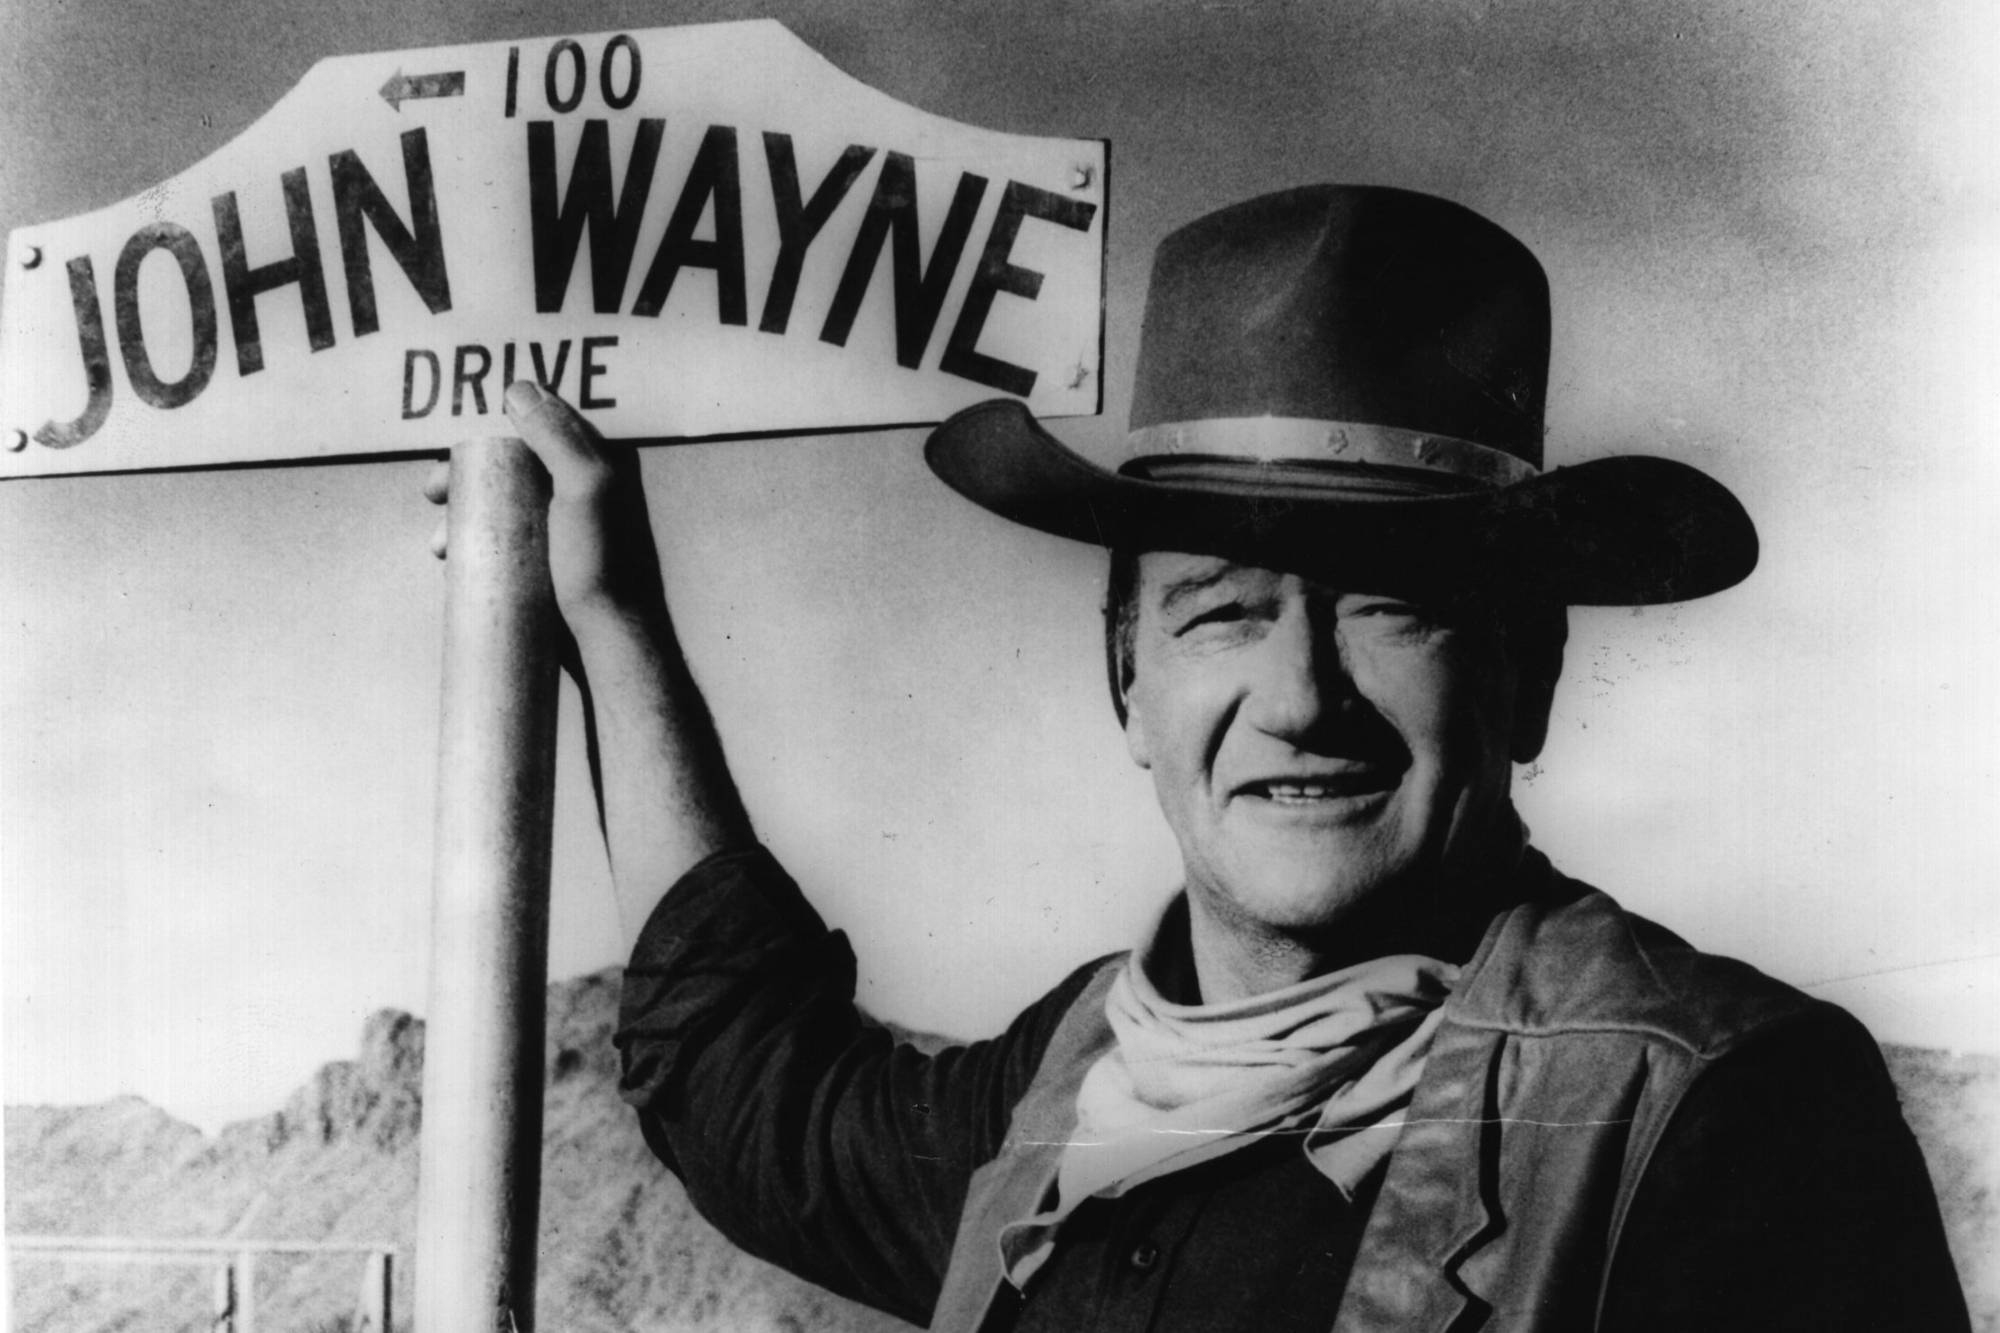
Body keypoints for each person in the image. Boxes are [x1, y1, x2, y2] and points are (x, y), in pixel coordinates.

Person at [429, 185, 1969, 1330]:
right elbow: (739, 1072)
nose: (1302, 696)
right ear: (1128, 681)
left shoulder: (1725, 1123)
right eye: (1225, 612)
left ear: (1531, 678)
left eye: (1396, 610)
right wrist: (613, 614)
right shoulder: (1065, 1088)